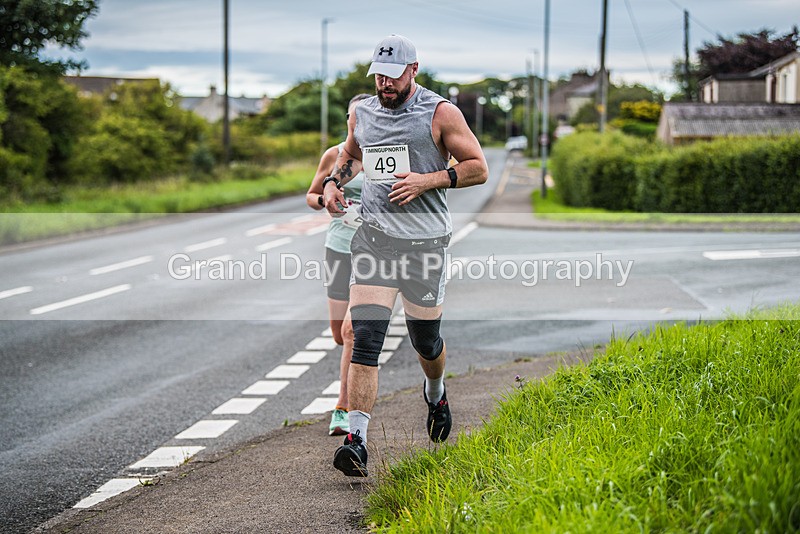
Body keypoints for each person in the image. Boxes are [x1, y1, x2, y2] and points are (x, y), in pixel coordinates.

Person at [321, 34, 489, 477]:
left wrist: (427, 180)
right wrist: (334, 184)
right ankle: (356, 440)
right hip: (376, 239)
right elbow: (350, 152)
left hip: (426, 244)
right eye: (378, 75)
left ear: (414, 70)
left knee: (425, 341)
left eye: (393, 76)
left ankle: (435, 392)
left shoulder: (439, 113)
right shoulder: (364, 112)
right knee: (365, 336)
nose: (385, 84)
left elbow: (478, 167)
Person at [306, 94, 372, 436]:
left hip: (371, 252)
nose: (358, 123)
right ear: (347, 118)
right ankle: (360, 381)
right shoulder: (335, 155)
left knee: (351, 331)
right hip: (338, 249)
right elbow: (311, 195)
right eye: (353, 117)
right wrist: (327, 201)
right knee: (338, 334)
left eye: (364, 117)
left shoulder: (381, 154)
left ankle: (343, 407)